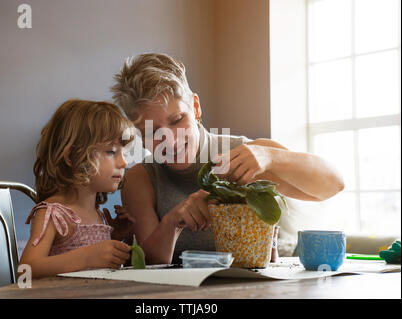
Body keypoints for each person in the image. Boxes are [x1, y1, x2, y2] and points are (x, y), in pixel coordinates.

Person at [111, 53, 345, 265]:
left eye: (177, 120)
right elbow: (151, 264)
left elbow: (333, 184)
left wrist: (271, 156)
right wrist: (173, 222)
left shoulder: (245, 153)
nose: (170, 141)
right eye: (152, 131)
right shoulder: (141, 179)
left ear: (195, 107)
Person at [19, 99, 135, 279]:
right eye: (111, 152)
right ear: (73, 157)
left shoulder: (99, 214)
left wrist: (115, 237)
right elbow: (25, 271)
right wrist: (87, 257)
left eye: (124, 153)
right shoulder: (54, 214)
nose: (124, 162)